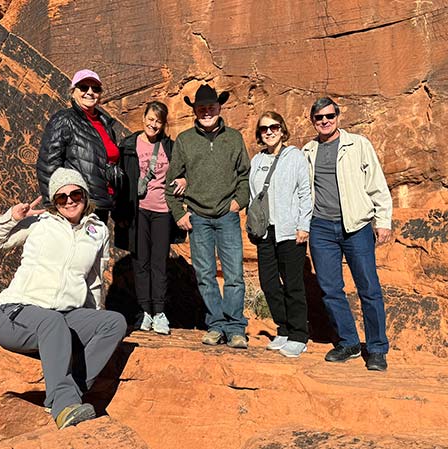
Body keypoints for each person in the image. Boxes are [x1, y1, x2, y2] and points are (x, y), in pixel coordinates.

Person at [0, 168, 127, 429]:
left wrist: (92, 317)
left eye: (75, 194)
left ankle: (68, 393)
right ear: (54, 202)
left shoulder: (97, 230)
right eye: (61, 198)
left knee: (113, 322)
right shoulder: (40, 223)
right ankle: (63, 406)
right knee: (52, 322)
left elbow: (94, 281)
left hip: (64, 315)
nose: (69, 201)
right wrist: (12, 218)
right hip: (17, 313)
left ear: (84, 195)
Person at [303, 97, 393, 371]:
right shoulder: (308, 150)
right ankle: (350, 343)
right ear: (313, 121)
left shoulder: (358, 145)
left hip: (356, 226)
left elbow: (377, 183)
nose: (325, 121)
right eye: (319, 118)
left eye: (329, 116)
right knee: (330, 290)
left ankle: (376, 349)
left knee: (369, 288)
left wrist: (383, 220)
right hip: (321, 227)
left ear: (338, 116)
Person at [165, 84, 251, 349]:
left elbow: (244, 176)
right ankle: (216, 325)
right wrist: (179, 213)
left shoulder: (234, 138)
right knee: (205, 274)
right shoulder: (185, 140)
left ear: (219, 108)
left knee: (234, 273)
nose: (206, 112)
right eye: (201, 108)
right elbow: (171, 182)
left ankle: (236, 328)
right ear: (195, 111)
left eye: (211, 107)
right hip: (198, 217)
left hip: (227, 215)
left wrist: (238, 203)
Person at [114, 101, 186, 334]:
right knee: (140, 261)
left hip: (163, 211)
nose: (153, 124)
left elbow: (184, 172)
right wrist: (120, 213)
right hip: (138, 212)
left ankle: (160, 313)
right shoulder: (128, 146)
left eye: (158, 121)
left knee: (159, 263)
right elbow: (120, 182)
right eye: (150, 118)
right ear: (143, 117)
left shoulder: (171, 147)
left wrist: (185, 180)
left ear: (164, 124)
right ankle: (144, 311)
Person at [249, 112, 312, 358]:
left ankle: (299, 335)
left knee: (293, 284)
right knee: (269, 283)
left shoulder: (294, 156)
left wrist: (303, 225)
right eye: (264, 129)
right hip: (265, 231)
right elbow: (254, 195)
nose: (269, 132)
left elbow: (305, 193)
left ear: (282, 130)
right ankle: (283, 329)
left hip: (289, 230)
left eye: (274, 127)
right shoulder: (257, 160)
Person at [36, 69, 121, 223]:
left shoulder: (105, 124)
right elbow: (47, 165)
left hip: (101, 203)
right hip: (75, 204)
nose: (90, 92)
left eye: (95, 89)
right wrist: (55, 205)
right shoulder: (64, 120)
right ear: (73, 92)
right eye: (83, 87)